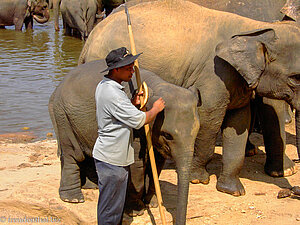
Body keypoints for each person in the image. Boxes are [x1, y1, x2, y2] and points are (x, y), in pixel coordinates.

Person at [93, 47, 165, 225]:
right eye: (129, 68)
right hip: (112, 160)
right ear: (116, 69)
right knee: (110, 209)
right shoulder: (113, 93)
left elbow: (118, 114)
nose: (132, 72)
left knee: (113, 205)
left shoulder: (106, 86)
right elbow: (141, 120)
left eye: (133, 67)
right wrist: (156, 109)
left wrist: (132, 103)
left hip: (112, 155)